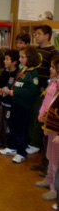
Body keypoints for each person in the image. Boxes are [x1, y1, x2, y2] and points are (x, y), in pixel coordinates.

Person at [0, 46, 40, 164]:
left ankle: (21, 152)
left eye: (23, 57)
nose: (20, 59)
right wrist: (9, 89)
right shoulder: (23, 70)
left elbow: (31, 91)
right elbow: (17, 84)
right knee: (13, 124)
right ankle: (12, 147)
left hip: (24, 106)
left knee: (21, 129)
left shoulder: (33, 73)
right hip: (16, 103)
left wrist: (14, 92)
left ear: (30, 58)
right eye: (20, 57)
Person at [29, 25, 59, 176]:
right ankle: (43, 159)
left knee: (43, 123)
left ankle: (45, 160)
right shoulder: (35, 50)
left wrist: (47, 88)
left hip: (47, 90)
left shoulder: (53, 52)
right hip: (35, 90)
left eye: (39, 34)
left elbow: (53, 73)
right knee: (36, 117)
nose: (36, 36)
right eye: (35, 34)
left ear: (48, 35)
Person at [35, 56, 59, 201]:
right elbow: (47, 102)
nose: (50, 69)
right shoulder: (53, 83)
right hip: (50, 124)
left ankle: (55, 189)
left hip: (56, 129)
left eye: (53, 67)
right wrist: (42, 114)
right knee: (50, 155)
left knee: (56, 158)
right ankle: (49, 179)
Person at [0, 49, 20, 148]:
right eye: (5, 59)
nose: (5, 61)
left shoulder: (17, 74)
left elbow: (13, 88)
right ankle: (1, 140)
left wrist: (5, 90)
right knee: (2, 121)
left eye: (7, 59)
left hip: (11, 103)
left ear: (14, 62)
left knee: (8, 123)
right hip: (3, 102)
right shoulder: (5, 71)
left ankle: (8, 143)